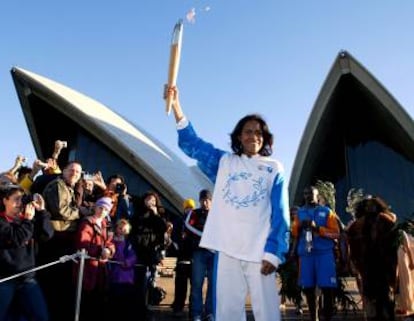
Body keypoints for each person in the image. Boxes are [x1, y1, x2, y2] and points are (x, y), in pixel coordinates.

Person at [164, 86, 290, 321]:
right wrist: (177, 107)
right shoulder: (225, 162)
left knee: (268, 314)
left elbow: (280, 213)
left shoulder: (274, 168)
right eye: (248, 132)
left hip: (260, 249)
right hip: (227, 249)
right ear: (239, 137)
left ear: (265, 138)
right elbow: (192, 145)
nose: (254, 136)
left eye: (259, 133)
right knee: (228, 313)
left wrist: (274, 252)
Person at [0, 184, 54, 321]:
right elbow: (16, 239)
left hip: (28, 278)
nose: (20, 203)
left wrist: (41, 211)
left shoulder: (26, 219)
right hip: (5, 279)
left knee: (41, 316)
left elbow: (46, 234)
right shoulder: (2, 221)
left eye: (22, 199)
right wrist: (27, 221)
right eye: (16, 199)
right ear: (5, 200)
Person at [291, 185, 340, 321]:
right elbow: (294, 233)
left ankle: (328, 317)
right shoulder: (299, 213)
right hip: (306, 255)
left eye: (311, 193)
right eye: (306, 193)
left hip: (324, 254)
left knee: (327, 288)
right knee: (308, 288)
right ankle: (314, 317)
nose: (308, 196)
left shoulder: (327, 211)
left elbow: (336, 233)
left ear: (317, 195)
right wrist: (299, 227)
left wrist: (317, 228)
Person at [74, 196, 115, 321]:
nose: (102, 211)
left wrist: (109, 250)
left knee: (97, 300)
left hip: (99, 269)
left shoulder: (104, 224)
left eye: (105, 209)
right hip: (86, 269)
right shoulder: (87, 222)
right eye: (100, 207)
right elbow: (82, 243)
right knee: (85, 301)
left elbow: (109, 242)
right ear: (95, 207)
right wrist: (99, 251)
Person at [185, 189, 214, 321]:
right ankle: (196, 313)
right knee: (197, 283)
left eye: (208, 200)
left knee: (213, 284)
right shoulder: (194, 213)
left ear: (212, 201)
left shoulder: (218, 214)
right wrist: (204, 238)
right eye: (203, 200)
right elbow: (188, 227)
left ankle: (210, 312)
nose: (205, 202)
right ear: (200, 201)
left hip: (214, 253)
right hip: (199, 252)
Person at [108, 218, 137, 321]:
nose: (122, 231)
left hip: (127, 277)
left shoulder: (129, 243)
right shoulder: (111, 242)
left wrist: (128, 262)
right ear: (116, 229)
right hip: (115, 276)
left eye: (124, 230)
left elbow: (133, 256)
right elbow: (114, 255)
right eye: (120, 229)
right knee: (115, 302)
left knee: (125, 302)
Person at [171, 198, 196, 317]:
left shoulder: (196, 220)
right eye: (187, 208)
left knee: (195, 285)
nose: (189, 210)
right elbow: (174, 236)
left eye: (191, 208)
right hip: (182, 257)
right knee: (180, 284)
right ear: (184, 209)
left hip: (194, 257)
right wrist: (179, 247)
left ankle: (193, 307)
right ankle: (178, 306)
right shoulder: (179, 221)